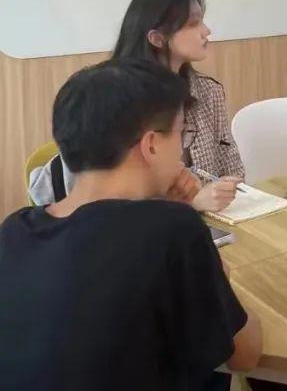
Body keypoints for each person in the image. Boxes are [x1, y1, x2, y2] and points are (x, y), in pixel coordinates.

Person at [0, 58, 262, 390]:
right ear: (151, 144)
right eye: (181, 134)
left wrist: (168, 210)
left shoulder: (15, 230)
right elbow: (245, 356)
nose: (182, 152)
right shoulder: (174, 230)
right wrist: (216, 268)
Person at [28, 0, 243, 212]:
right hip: (134, 225)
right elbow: (102, 201)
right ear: (157, 38)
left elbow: (231, 165)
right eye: (193, 23)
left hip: (213, 219)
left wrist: (227, 190)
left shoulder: (209, 91)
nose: (206, 31)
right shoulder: (110, 98)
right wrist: (190, 205)